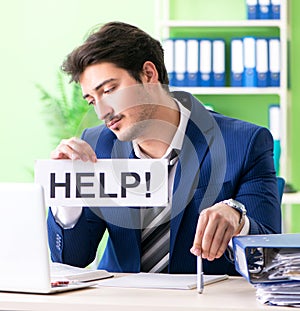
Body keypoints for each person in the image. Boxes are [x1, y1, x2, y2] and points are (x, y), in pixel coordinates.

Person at [47, 21, 281, 275]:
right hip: (119, 299)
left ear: (148, 74)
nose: (103, 112)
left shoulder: (245, 142)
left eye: (110, 90)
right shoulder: (96, 146)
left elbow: (268, 253)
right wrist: (67, 191)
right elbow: (70, 259)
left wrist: (237, 219)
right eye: (93, 100)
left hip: (202, 300)